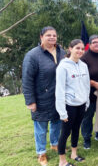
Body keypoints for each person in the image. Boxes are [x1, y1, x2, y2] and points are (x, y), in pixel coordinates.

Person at [22, 26, 65, 166]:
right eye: (48, 35)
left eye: (54, 35)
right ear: (41, 37)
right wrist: (30, 101)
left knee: (56, 122)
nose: (52, 37)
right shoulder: (32, 55)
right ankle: (41, 153)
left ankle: (54, 144)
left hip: (58, 97)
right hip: (40, 98)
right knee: (40, 128)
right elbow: (27, 80)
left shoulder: (61, 52)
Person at [56, 39, 90, 166]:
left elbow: (86, 86)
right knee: (65, 133)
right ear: (70, 49)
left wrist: (86, 102)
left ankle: (74, 153)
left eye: (82, 48)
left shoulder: (84, 65)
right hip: (68, 106)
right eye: (77, 48)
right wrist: (62, 112)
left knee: (76, 129)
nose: (80, 51)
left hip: (81, 105)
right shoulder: (63, 66)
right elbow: (59, 90)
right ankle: (62, 161)